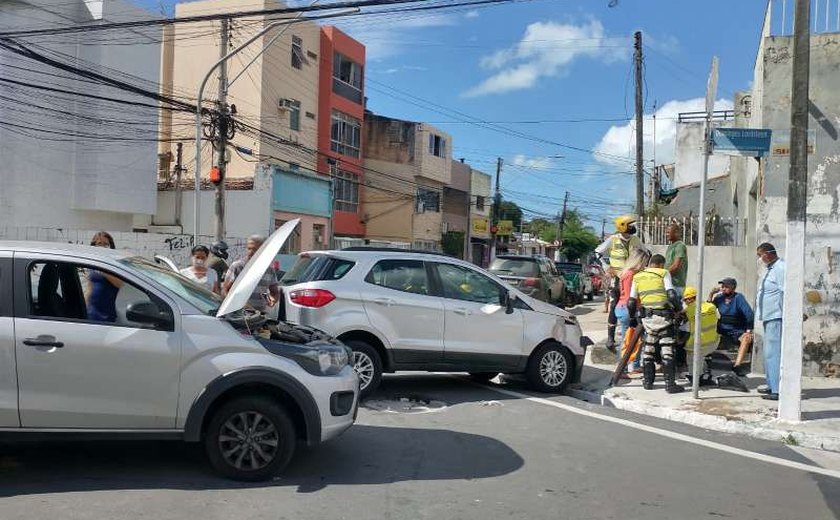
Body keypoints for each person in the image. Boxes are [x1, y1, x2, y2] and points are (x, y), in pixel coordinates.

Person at [628, 254, 683, 393]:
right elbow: (671, 295)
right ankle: (670, 385)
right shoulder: (663, 273)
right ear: (660, 264)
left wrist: (632, 318)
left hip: (648, 320)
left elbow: (631, 302)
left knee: (648, 351)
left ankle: (648, 382)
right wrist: (679, 310)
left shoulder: (637, 276)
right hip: (664, 319)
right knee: (667, 351)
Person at [595, 214, 645, 351]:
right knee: (614, 304)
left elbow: (647, 252)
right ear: (622, 226)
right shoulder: (613, 239)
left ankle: (629, 331)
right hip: (616, 278)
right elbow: (597, 252)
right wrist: (606, 267)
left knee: (632, 303)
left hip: (631, 277)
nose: (633, 227)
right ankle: (611, 337)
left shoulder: (635, 240)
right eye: (630, 225)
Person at [614, 248, 650, 376]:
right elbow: (631, 297)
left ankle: (635, 365)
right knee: (628, 340)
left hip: (624, 308)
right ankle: (622, 368)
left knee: (636, 338)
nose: (645, 265)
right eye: (644, 261)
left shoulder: (627, 273)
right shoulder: (630, 274)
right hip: (628, 309)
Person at [756, 242, 785, 401]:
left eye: (760, 255)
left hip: (776, 316)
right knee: (768, 353)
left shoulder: (780, 268)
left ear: (767, 253)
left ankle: (777, 389)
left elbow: (785, 291)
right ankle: (771, 384)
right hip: (769, 316)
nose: (759, 259)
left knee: (773, 353)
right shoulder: (770, 269)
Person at [708, 277, 755, 376]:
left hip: (736, 329)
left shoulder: (738, 298)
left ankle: (737, 366)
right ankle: (706, 362)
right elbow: (708, 310)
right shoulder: (719, 297)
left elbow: (749, 314)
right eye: (722, 286)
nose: (723, 288)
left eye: (726, 287)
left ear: (733, 288)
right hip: (722, 328)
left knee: (746, 338)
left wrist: (749, 330)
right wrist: (711, 294)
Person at [223, 234, 280, 313]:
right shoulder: (238, 266)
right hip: (239, 314)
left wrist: (273, 300)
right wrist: (241, 305)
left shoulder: (269, 270)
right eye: (249, 248)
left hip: (260, 315)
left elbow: (274, 292)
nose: (251, 252)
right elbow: (225, 291)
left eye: (255, 249)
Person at [681, 286, 720, 376]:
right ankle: (703, 372)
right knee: (700, 355)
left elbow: (681, 316)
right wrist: (711, 294)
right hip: (714, 342)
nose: (685, 303)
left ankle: (694, 376)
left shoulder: (689, 309)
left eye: (685, 300)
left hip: (699, 345)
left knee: (691, 355)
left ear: (690, 299)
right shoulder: (711, 306)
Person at [87, 231, 123, 322]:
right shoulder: (92, 264)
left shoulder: (114, 264)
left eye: (106, 244)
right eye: (99, 244)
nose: (102, 247)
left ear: (110, 247)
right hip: (91, 314)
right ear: (94, 246)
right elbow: (89, 288)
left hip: (106, 316)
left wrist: (103, 269)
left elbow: (119, 284)